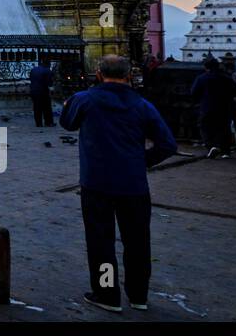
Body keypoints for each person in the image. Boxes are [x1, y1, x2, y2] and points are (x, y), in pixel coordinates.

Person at [60, 54, 177, 313]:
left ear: (99, 74)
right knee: (137, 240)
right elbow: (168, 144)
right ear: (128, 76)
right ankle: (138, 295)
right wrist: (141, 161)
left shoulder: (85, 99)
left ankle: (106, 294)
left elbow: (67, 123)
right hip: (134, 184)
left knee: (100, 240)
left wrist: (69, 104)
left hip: (96, 183)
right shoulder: (143, 105)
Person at [190, 56, 236, 158]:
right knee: (224, 128)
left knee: (205, 127)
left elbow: (193, 92)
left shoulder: (201, 78)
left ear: (206, 67)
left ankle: (211, 146)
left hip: (207, 107)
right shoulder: (227, 78)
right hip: (224, 107)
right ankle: (225, 151)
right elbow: (235, 91)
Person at [28, 59, 55, 127]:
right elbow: (50, 83)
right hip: (43, 91)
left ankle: (38, 123)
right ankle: (48, 122)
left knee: (37, 107)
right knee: (47, 107)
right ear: (48, 64)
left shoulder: (34, 69)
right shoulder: (48, 71)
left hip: (33, 91)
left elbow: (31, 79)